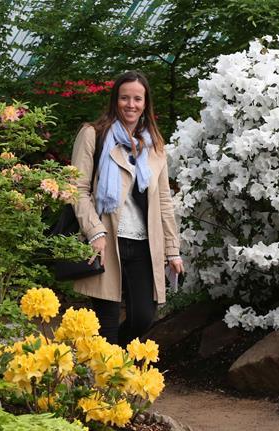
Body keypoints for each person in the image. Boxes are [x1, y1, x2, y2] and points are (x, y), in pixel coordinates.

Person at [68, 71, 184, 346]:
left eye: (137, 99)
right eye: (124, 98)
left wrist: (172, 250)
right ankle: (104, 380)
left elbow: (164, 202)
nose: (130, 104)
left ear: (145, 103)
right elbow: (76, 189)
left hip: (144, 243)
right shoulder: (93, 135)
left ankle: (106, 362)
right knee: (105, 322)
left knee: (144, 317)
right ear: (115, 100)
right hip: (105, 241)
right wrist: (95, 232)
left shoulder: (154, 144)